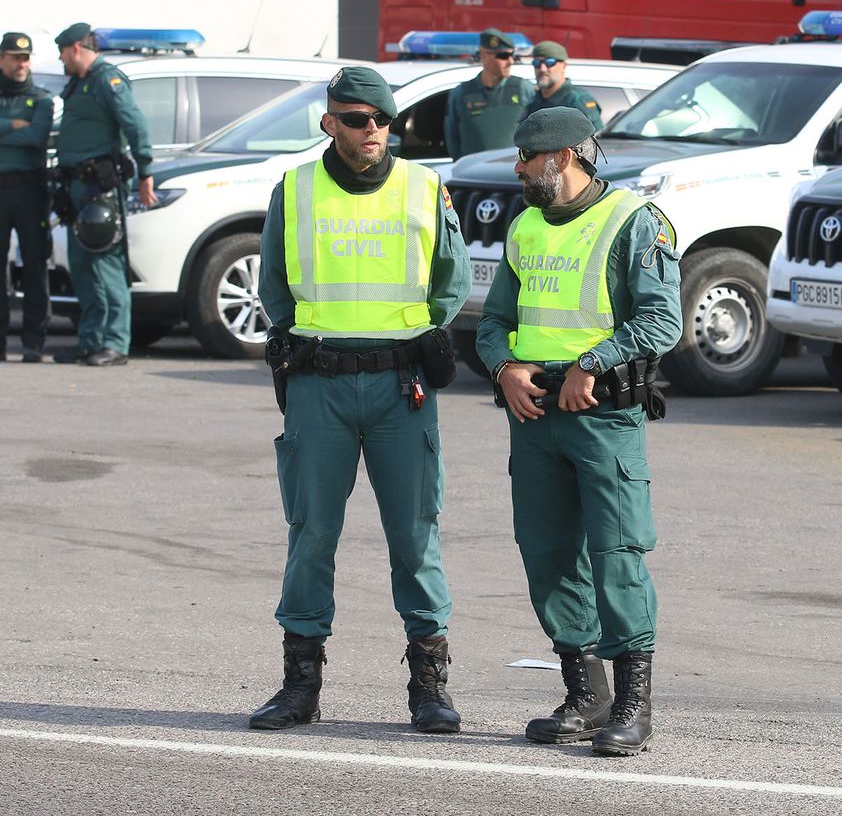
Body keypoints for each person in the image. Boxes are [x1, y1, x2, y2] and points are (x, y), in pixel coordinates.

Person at [250, 65, 471, 736]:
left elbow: (451, 281)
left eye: (381, 119)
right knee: (311, 534)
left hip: (400, 387)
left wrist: (411, 334)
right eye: (355, 119)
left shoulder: (424, 187)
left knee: (414, 537)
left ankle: (428, 687)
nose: (371, 129)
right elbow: (275, 288)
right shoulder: (294, 190)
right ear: (329, 122)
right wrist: (305, 343)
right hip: (320, 382)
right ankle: (299, 685)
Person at [475, 106, 682, 757]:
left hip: (602, 419)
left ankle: (632, 705)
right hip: (535, 421)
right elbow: (491, 323)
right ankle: (586, 695)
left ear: (561, 159)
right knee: (548, 556)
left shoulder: (632, 221)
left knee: (616, 556)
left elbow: (662, 321)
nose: (517, 168)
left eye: (525, 158)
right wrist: (503, 367)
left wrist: (593, 363)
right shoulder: (526, 226)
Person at [52, 22, 156, 367]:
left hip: (101, 187)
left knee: (107, 263)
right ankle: (91, 341)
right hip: (77, 186)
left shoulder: (106, 79)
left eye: (63, 53)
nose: (61, 60)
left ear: (76, 49)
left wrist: (146, 172)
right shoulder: (81, 82)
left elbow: (134, 123)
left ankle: (115, 343)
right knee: (83, 266)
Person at [0, 32, 54, 363]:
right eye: (15, 57)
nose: (22, 63)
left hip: (30, 188)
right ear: (0, 59)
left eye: (26, 58)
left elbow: (37, 135)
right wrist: (13, 124)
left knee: (34, 263)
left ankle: (34, 342)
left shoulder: (41, 98)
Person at [443, 28, 533, 159]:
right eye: (503, 56)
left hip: (514, 175)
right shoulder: (462, 93)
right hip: (474, 175)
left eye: (512, 55)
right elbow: (452, 139)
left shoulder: (523, 89)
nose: (511, 62)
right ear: (484, 56)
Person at [524, 41, 601, 125]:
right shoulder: (534, 100)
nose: (542, 69)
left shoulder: (577, 100)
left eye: (549, 62)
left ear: (564, 66)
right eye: (537, 63)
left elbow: (594, 136)